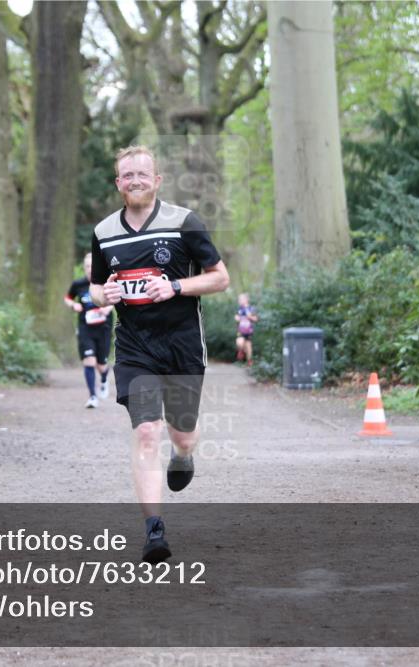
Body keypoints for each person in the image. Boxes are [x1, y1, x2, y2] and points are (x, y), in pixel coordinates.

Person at [89, 145, 230, 563]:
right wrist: (104, 294)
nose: (135, 180)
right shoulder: (103, 232)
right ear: (118, 183)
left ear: (157, 180)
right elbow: (96, 286)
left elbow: (220, 279)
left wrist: (175, 287)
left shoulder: (185, 222)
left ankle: (183, 456)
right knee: (146, 431)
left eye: (142, 174)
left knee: (181, 433)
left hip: (183, 345)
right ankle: (154, 530)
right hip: (134, 347)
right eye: (126, 175)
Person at [65, 253, 114, 408]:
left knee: (101, 365)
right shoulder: (78, 284)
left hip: (103, 327)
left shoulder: (106, 282)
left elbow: (118, 297)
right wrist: (74, 305)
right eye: (87, 266)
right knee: (89, 361)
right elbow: (67, 298)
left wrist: (109, 307)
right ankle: (92, 396)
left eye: (92, 266)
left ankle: (104, 377)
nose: (89, 269)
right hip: (85, 327)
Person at [234, 293, 258, 367]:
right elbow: (236, 317)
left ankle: (249, 362)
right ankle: (241, 351)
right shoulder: (239, 309)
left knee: (248, 346)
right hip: (241, 330)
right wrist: (237, 318)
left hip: (249, 331)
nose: (239, 301)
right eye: (239, 299)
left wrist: (250, 317)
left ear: (246, 300)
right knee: (239, 342)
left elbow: (256, 319)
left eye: (240, 299)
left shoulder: (251, 308)